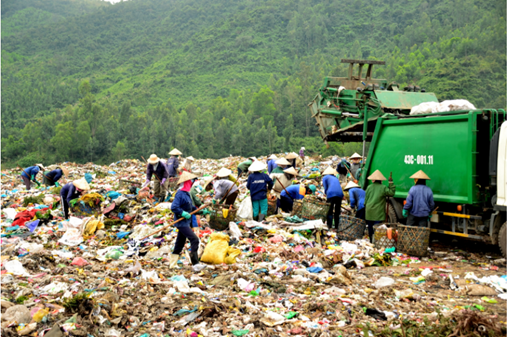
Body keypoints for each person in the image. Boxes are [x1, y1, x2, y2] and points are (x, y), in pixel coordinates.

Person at [169, 171, 201, 268]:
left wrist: (201, 211)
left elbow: (191, 208)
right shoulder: (180, 194)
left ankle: (172, 264)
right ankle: (195, 264)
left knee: (180, 243)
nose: (191, 183)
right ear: (186, 182)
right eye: (190, 181)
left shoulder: (187, 194)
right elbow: (174, 207)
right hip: (181, 222)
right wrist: (182, 213)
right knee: (194, 239)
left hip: (186, 222)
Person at [364, 170, 396, 243]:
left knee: (370, 227)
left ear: (374, 180)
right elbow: (391, 193)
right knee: (377, 228)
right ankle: (376, 242)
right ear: (381, 180)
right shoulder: (383, 187)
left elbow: (366, 199)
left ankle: (371, 241)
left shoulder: (369, 187)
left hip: (369, 210)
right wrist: (391, 183)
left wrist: (366, 206)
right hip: (378, 211)